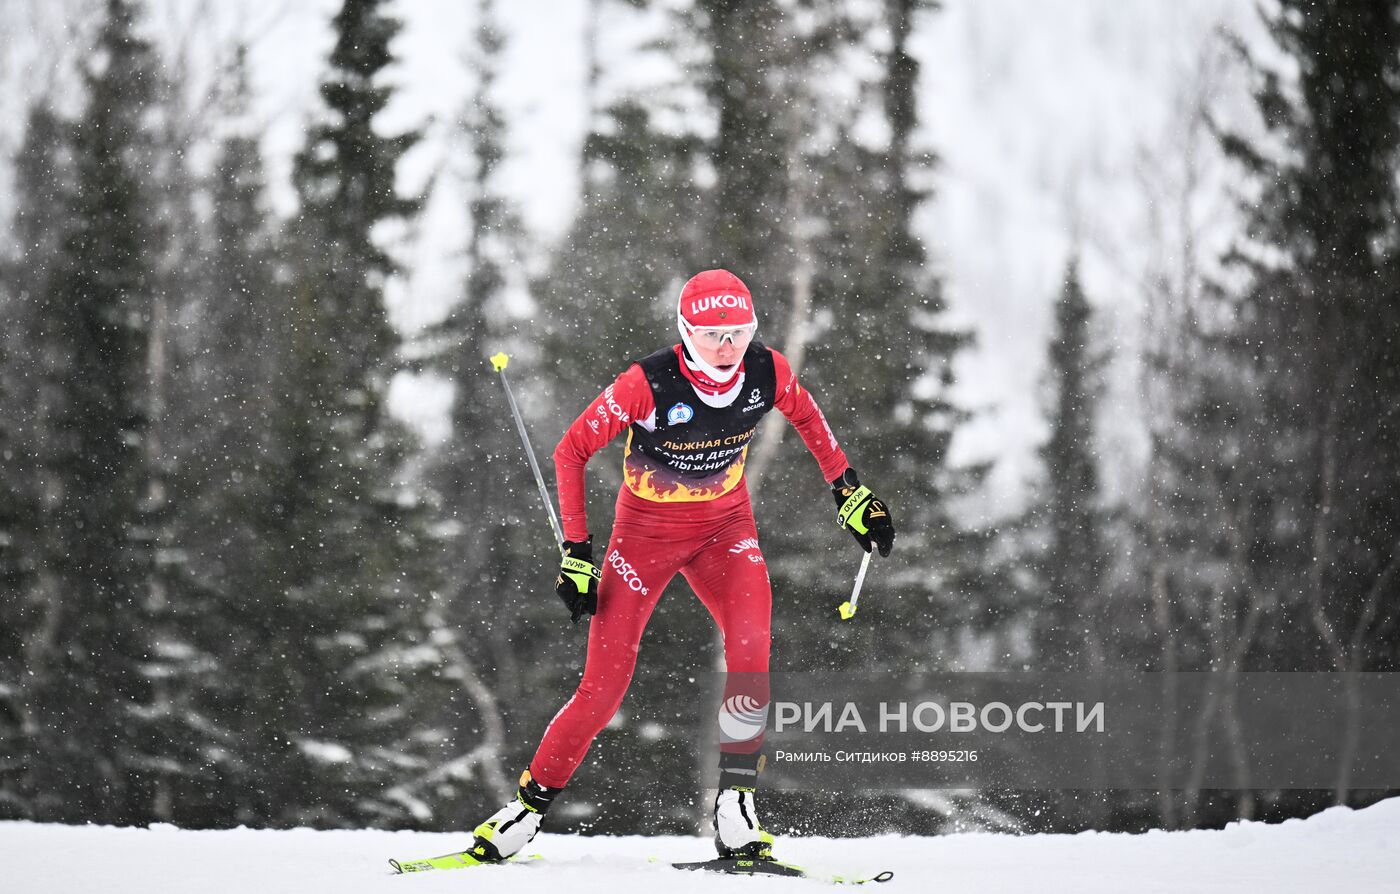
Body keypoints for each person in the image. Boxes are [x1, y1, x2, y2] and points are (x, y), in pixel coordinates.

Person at [466, 269, 895, 863]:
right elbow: (571, 450)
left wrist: (848, 492)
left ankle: (735, 808)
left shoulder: (768, 370)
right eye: (713, 333)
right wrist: (577, 553)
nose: (728, 346)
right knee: (603, 687)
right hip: (644, 538)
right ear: (686, 332)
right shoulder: (648, 382)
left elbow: (809, 421)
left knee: (751, 651)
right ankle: (527, 808)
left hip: (725, 531)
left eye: (740, 331)